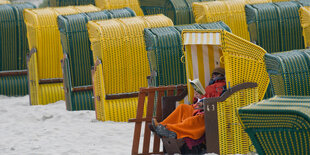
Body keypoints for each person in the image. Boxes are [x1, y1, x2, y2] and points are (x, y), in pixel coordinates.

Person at [149, 67, 226, 149]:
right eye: (212, 74)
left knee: (192, 120)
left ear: (221, 75)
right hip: (199, 108)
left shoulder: (220, 87)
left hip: (208, 111)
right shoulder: (211, 86)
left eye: (216, 74)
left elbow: (217, 100)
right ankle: (161, 126)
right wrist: (197, 98)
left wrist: (202, 102)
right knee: (182, 107)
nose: (213, 76)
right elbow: (202, 99)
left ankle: (170, 130)